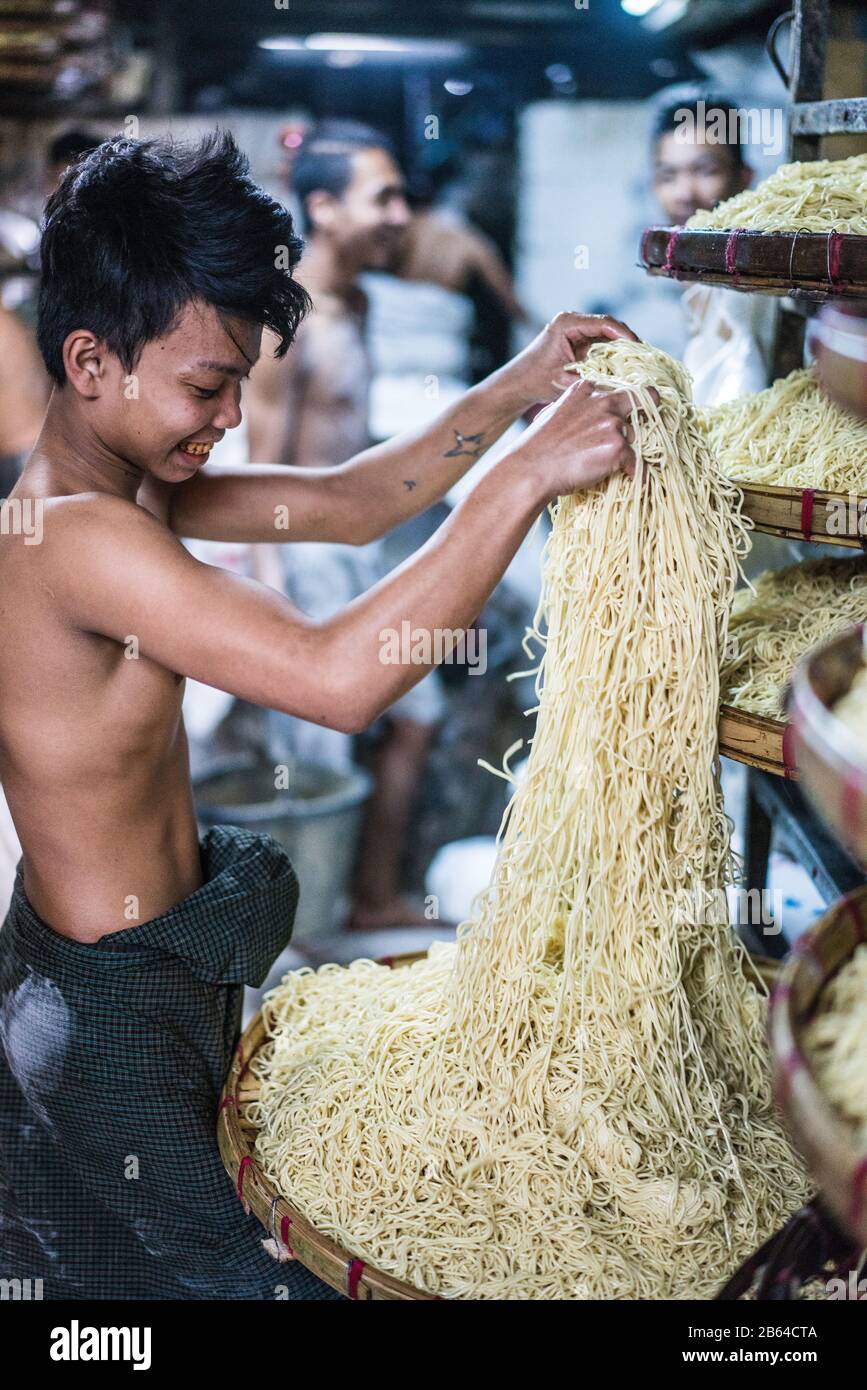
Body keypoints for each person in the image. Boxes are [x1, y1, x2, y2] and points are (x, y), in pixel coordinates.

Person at [0, 131, 639, 1300]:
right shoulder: (70, 537)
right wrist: (526, 475)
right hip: (108, 1015)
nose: (234, 415)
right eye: (207, 385)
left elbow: (347, 505)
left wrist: (517, 388)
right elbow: (339, 675)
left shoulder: (129, 483)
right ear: (92, 360)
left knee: (139, 1271)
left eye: (242, 380)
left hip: (147, 971)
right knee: (237, 1282)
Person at [248, 121, 445, 932]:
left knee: (414, 715)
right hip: (300, 559)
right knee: (316, 754)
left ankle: (369, 896)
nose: (401, 213)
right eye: (383, 196)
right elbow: (260, 472)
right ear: (324, 208)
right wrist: (269, 592)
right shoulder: (284, 321)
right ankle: (305, 927)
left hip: (358, 550)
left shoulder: (359, 300)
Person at [652, 94, 775, 406]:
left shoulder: (754, 287)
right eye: (668, 176)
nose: (683, 194)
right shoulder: (668, 275)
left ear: (744, 177)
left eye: (705, 171)